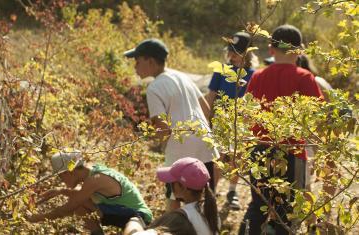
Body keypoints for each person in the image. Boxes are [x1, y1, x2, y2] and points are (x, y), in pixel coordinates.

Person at [239, 25, 324, 235]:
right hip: (292, 152)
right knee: (287, 213)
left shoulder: (258, 76)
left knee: (257, 206)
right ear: (299, 51)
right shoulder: (304, 77)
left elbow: (245, 114)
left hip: (260, 149)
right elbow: (318, 116)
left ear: (271, 49)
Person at [124, 39, 219, 211]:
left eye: (137, 62)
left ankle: (172, 228)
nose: (135, 67)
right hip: (205, 141)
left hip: (180, 147)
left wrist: (155, 140)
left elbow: (163, 129)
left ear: (151, 61)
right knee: (204, 195)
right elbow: (205, 106)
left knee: (174, 197)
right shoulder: (182, 76)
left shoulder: (154, 88)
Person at [27, 151, 153, 235]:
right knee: (80, 201)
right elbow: (80, 194)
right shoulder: (92, 171)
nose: (61, 180)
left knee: (78, 205)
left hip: (138, 217)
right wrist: (61, 191)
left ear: (69, 172)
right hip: (120, 211)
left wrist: (35, 218)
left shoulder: (95, 179)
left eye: (61, 177)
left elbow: (67, 209)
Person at [206, 31, 259, 210]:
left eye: (237, 51)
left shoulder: (253, 75)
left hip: (241, 123)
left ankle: (232, 191)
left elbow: (253, 101)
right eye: (231, 51)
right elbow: (211, 97)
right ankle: (211, 191)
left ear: (247, 53)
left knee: (237, 158)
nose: (232, 55)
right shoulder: (221, 71)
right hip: (221, 120)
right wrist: (207, 118)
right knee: (218, 157)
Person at [124, 157, 219, 235]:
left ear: (182, 187)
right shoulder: (210, 212)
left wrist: (134, 222)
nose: (168, 184)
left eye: (171, 182)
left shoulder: (179, 219)